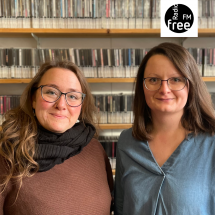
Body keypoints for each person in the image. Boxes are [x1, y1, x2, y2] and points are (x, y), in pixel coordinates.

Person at [0, 61, 113, 215]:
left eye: (73, 96)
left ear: (82, 106)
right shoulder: (6, 153)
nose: (61, 104)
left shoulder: (95, 150)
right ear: (33, 98)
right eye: (51, 92)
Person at [114, 42, 215, 215]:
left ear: (191, 85)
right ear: (142, 86)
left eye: (176, 79)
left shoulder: (211, 143)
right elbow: (121, 207)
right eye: (153, 80)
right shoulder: (126, 142)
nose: (164, 89)